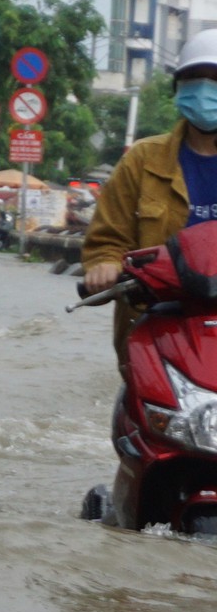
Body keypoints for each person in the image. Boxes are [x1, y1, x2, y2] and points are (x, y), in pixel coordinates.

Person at [82, 28, 217, 371]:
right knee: (141, 417)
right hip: (157, 327)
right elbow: (107, 238)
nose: (204, 90)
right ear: (179, 88)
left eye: (215, 80)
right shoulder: (143, 159)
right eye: (194, 79)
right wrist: (105, 264)